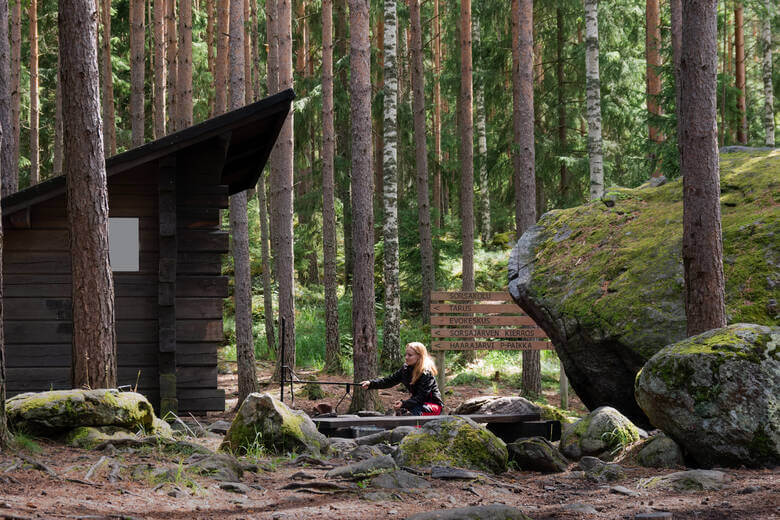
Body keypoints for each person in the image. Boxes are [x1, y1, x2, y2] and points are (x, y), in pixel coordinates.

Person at [360, 342, 444, 416]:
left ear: (419, 356)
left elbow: (421, 397)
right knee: (400, 415)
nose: (406, 357)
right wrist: (371, 383)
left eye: (410, 355)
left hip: (433, 405)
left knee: (410, 417)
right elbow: (389, 381)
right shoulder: (405, 369)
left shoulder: (426, 373)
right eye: (406, 354)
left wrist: (404, 404)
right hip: (417, 404)